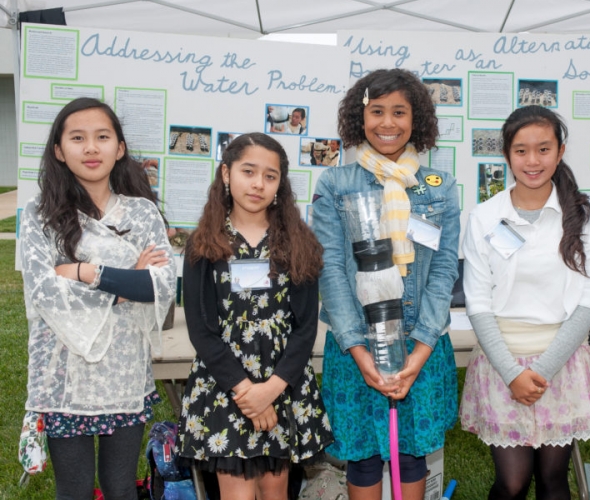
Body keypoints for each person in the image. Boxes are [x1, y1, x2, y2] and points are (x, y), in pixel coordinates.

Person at [312, 68, 460, 500]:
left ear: (417, 119)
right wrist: (360, 352)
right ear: (361, 118)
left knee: (412, 454)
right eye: (377, 111)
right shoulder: (336, 183)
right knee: (361, 457)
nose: (388, 123)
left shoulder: (439, 186)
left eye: (399, 111)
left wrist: (419, 351)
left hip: (421, 344)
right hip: (354, 346)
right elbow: (331, 273)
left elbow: (444, 270)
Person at [19, 97, 176, 500]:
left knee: (120, 487)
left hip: (123, 372)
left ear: (119, 147)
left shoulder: (141, 213)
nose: (91, 148)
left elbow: (159, 286)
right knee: (73, 490)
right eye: (78, 137)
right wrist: (124, 288)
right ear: (59, 149)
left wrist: (83, 271)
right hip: (63, 375)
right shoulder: (39, 214)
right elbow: (44, 292)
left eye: (102, 137)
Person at [459, 105, 590, 500]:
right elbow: (477, 301)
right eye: (521, 150)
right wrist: (512, 373)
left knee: (554, 479)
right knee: (512, 482)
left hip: (561, 363)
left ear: (560, 152)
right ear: (506, 155)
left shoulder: (585, 215)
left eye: (543, 149)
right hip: (501, 363)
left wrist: (542, 370)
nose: (532, 160)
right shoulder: (485, 217)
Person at [177, 132, 333, 500]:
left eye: (270, 175)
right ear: (226, 174)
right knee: (239, 494)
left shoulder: (298, 243)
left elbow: (305, 328)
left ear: (280, 184)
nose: (258, 184)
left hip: (282, 383)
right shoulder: (204, 243)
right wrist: (247, 392)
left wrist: (271, 390)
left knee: (274, 488)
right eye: (249, 171)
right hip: (226, 386)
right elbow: (201, 329)